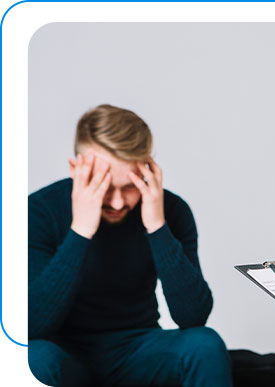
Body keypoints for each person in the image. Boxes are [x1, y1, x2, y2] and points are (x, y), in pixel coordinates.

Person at [28, 104, 233, 386]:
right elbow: (31, 326)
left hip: (138, 350)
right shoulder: (38, 211)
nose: (117, 202)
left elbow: (193, 318)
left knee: (204, 344)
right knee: (34, 358)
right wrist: (80, 231)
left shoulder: (170, 211)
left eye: (129, 187)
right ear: (76, 169)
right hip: (65, 354)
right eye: (104, 187)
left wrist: (157, 227)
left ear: (148, 169)